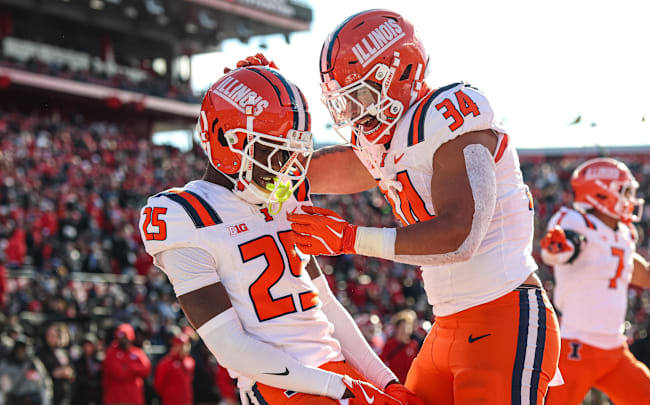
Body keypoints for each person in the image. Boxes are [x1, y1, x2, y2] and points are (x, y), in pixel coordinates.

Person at [286, 9, 561, 404]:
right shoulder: (387, 142)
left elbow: (460, 236)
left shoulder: (447, 115)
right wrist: (264, 143)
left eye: (360, 94)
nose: (353, 111)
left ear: (397, 75)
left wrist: (349, 238)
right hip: (445, 326)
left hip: (503, 314)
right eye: (345, 100)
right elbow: (333, 168)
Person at [138, 59, 423, 405]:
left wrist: (386, 381)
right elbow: (230, 348)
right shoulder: (183, 214)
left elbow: (327, 307)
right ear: (228, 141)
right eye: (275, 152)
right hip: (281, 385)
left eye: (292, 153)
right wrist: (339, 387)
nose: (287, 167)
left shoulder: (286, 198)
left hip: (335, 372)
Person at [539, 157, 650, 405]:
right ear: (600, 194)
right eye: (623, 191)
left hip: (614, 349)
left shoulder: (621, 234)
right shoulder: (574, 221)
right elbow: (559, 249)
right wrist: (558, 247)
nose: (630, 199)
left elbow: (646, 275)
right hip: (576, 347)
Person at [102, 323, 151, 405]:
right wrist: (133, 371)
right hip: (116, 398)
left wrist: (129, 367)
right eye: (121, 337)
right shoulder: (111, 352)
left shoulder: (137, 352)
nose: (123, 340)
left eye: (125, 337)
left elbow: (146, 369)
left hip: (133, 397)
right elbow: (118, 372)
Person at [0, 335, 53, 405]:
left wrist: (46, 402)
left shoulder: (34, 364)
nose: (21, 352)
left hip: (31, 400)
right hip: (13, 400)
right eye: (18, 349)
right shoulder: (6, 364)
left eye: (23, 349)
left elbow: (44, 385)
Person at [154, 333, 194, 405]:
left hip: (186, 400)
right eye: (181, 345)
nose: (184, 348)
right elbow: (159, 385)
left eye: (186, 345)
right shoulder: (166, 363)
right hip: (172, 401)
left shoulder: (190, 361)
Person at [380, 310, 420, 384]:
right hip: (394, 383)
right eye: (402, 327)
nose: (404, 330)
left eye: (407, 328)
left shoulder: (413, 345)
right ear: (396, 328)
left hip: (408, 383)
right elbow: (381, 362)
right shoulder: (390, 344)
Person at [71, 333, 102, 405]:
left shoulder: (100, 360)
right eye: (85, 345)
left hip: (97, 395)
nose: (87, 348)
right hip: (83, 396)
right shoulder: (78, 362)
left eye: (90, 345)